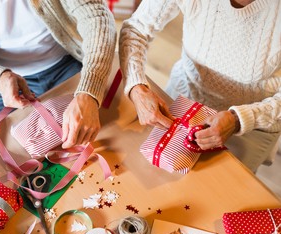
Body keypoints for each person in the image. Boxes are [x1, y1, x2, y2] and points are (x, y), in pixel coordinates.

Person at [0, 0, 116, 149]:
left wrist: (89, 91)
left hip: (68, 62)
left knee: (105, 132)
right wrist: (0, 78)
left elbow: (97, 17)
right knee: (7, 152)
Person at [119, 0, 281, 172]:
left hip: (251, 123)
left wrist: (238, 120)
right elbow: (137, 28)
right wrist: (136, 87)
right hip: (181, 98)